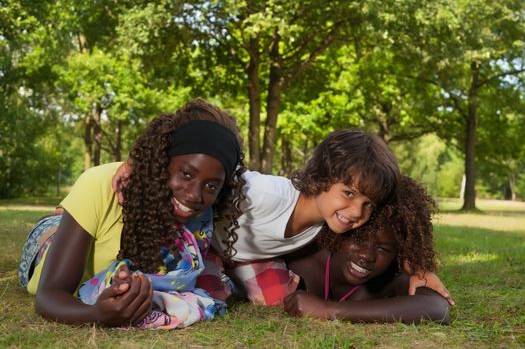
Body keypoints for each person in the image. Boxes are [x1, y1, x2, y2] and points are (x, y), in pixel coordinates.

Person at [114, 129, 452, 306]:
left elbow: (398, 230)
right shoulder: (263, 192)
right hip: (200, 240)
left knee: (275, 298)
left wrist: (421, 267)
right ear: (321, 176)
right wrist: (140, 163)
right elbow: (210, 168)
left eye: (368, 204)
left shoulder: (328, 225)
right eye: (349, 194)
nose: (356, 213)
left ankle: (225, 278)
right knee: (186, 287)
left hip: (241, 257)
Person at [18, 99, 247, 328]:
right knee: (61, 223)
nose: (195, 195)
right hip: (46, 242)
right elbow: (48, 295)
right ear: (162, 160)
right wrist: (96, 315)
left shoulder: (207, 209)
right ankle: (65, 212)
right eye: (186, 174)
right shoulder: (100, 183)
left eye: (210, 186)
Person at [282, 176, 451, 324]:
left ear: (399, 251)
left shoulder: (388, 277)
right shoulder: (303, 254)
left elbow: (437, 308)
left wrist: (329, 310)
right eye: (359, 239)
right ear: (339, 231)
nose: (367, 255)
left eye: (383, 248)